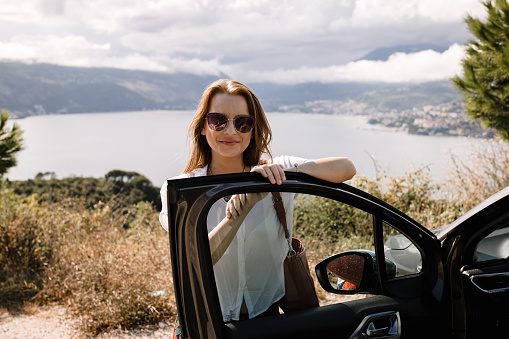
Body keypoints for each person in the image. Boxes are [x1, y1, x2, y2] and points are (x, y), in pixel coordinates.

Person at [159, 79, 356, 324]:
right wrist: (239, 213)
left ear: (253, 129)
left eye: (242, 123)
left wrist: (289, 168)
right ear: (203, 127)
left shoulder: (275, 175)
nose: (230, 131)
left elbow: (346, 169)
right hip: (205, 322)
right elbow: (195, 259)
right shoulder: (180, 191)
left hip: (267, 319)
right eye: (218, 120)